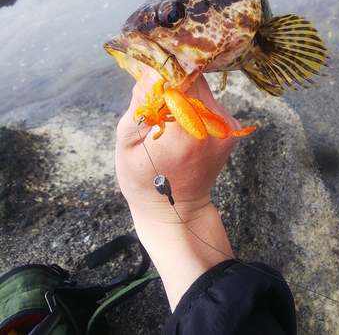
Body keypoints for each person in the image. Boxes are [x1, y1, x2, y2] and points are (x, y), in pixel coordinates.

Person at [115, 67, 297, 334]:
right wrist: (182, 208)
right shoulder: (156, 117)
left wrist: (156, 211)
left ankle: (233, 132)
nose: (148, 122)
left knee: (197, 111)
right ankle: (234, 132)